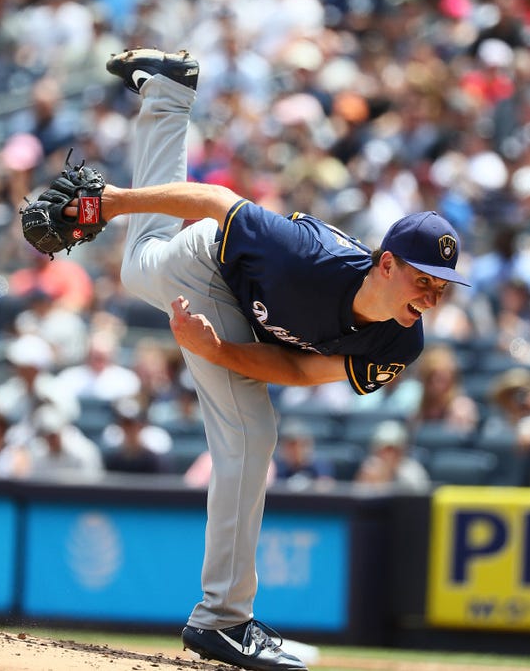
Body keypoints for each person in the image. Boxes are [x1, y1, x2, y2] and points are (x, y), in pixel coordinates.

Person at [58, 47, 469, 671]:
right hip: (209, 261)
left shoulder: (399, 342)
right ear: (386, 264)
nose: (431, 296)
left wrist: (216, 350)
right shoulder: (306, 259)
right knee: (250, 432)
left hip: (217, 295)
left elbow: (302, 370)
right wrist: (111, 201)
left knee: (139, 264)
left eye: (442, 287)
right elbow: (220, 201)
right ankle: (223, 621)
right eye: (423, 280)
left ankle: (167, 91)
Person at [353, 419, 430, 491]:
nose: (388, 455)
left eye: (393, 450)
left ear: (402, 450)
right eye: (384, 450)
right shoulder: (369, 468)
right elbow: (358, 497)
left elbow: (419, 499)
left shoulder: (413, 470)